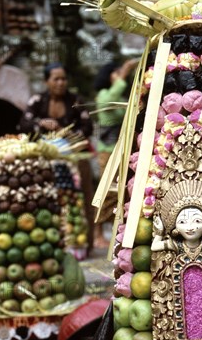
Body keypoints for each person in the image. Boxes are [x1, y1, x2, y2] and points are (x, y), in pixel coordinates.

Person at [17, 62, 97, 254]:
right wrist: (41, 123)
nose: (61, 83)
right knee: (48, 200)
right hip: (47, 163)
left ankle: (85, 243)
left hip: (75, 160)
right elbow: (23, 124)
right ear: (47, 81)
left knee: (82, 200)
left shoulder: (75, 100)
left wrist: (63, 131)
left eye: (63, 79)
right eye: (56, 79)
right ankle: (49, 243)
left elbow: (88, 128)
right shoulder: (37, 101)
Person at [93, 58, 138, 247]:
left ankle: (117, 233)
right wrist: (125, 71)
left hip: (122, 151)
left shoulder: (118, 97)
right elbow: (113, 95)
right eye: (115, 73)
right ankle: (97, 234)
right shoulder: (103, 95)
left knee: (122, 191)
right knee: (107, 191)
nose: (119, 76)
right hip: (107, 152)